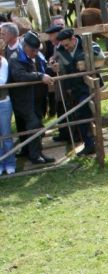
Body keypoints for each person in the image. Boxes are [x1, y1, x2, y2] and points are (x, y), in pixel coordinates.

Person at [52, 28, 104, 156]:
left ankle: (91, 144)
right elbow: (61, 67)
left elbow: (101, 57)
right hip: (73, 89)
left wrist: (84, 61)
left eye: (67, 44)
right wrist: (56, 67)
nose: (66, 47)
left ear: (74, 39)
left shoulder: (88, 44)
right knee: (79, 115)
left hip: (88, 86)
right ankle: (89, 143)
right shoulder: (61, 51)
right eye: (63, 45)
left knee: (84, 112)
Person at [8, 31, 55, 164]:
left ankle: (37, 152)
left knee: (37, 124)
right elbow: (20, 75)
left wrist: (52, 69)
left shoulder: (37, 55)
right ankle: (35, 156)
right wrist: (40, 76)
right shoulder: (15, 58)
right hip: (24, 100)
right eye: (33, 50)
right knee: (33, 124)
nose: (35, 53)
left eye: (36, 50)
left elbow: (44, 69)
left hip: (38, 98)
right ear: (26, 47)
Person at [0, 38, 15, 175]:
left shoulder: (3, 62)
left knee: (6, 134)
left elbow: (2, 80)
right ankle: (0, 164)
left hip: (3, 102)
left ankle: (10, 162)